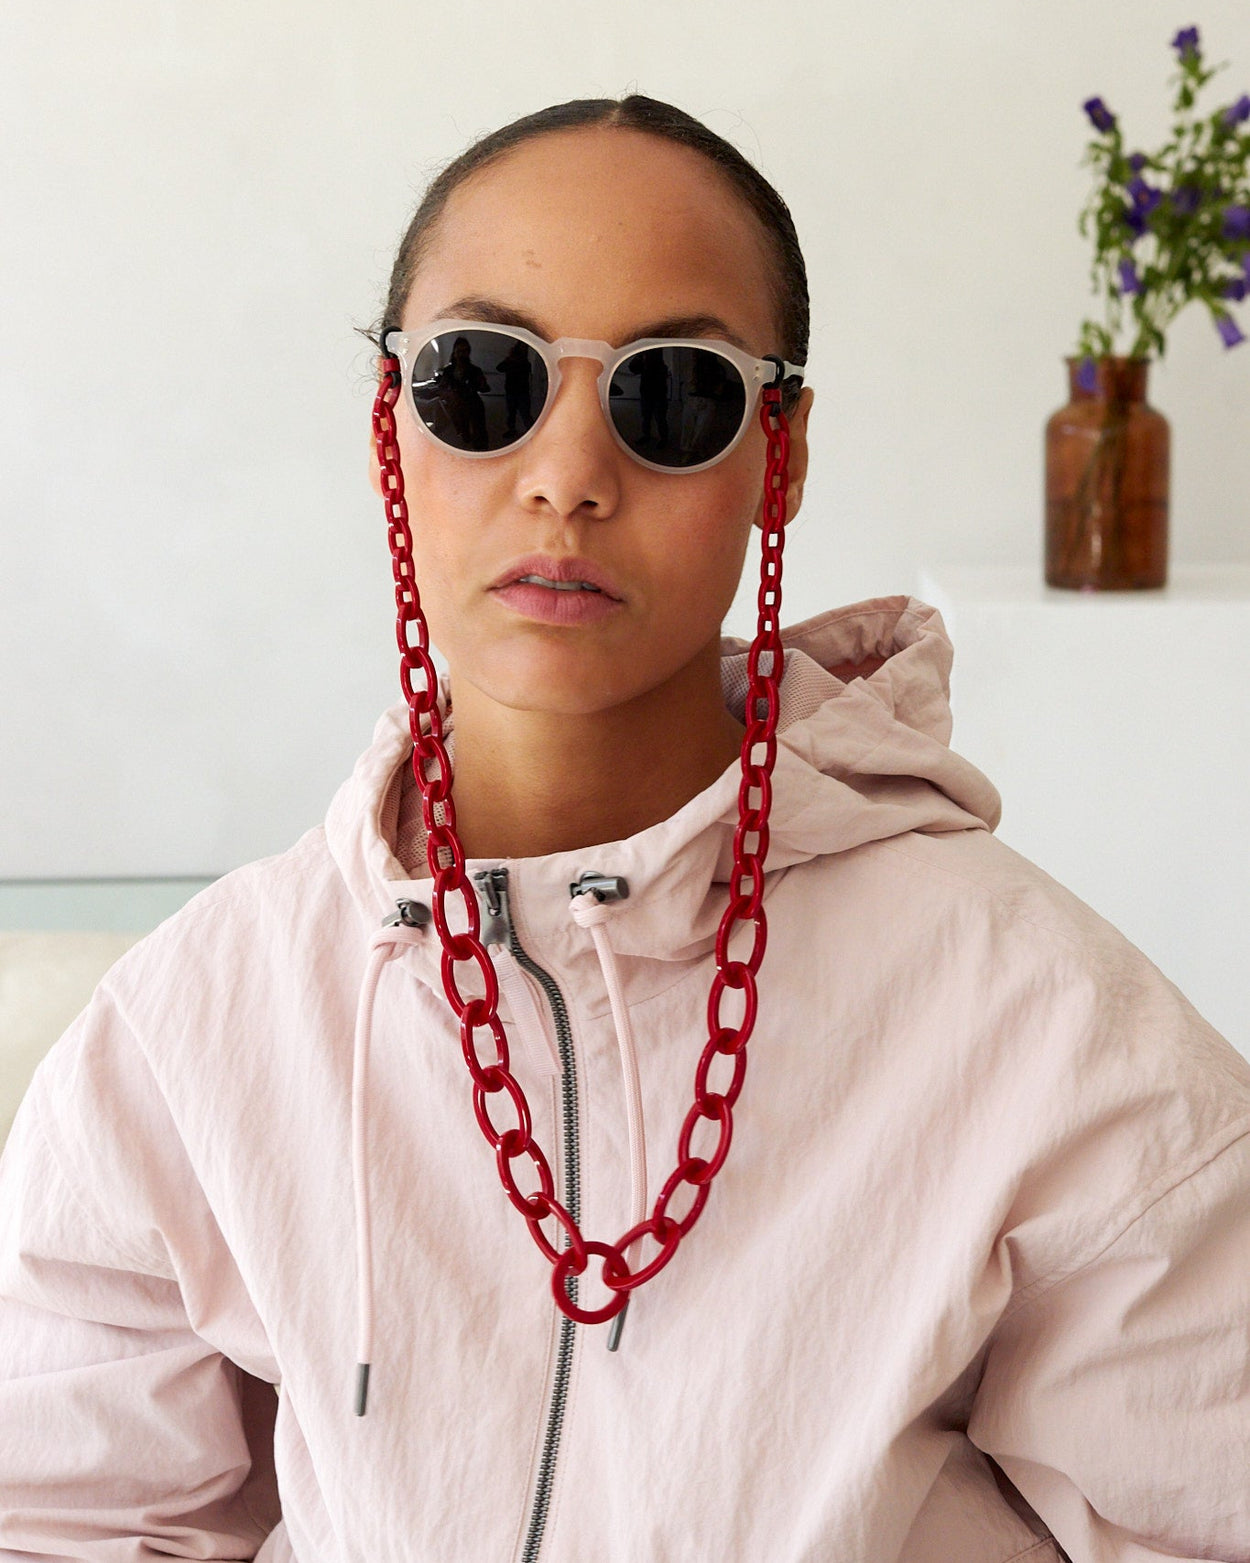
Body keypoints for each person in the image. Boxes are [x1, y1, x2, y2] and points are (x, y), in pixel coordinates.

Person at [2, 95, 1249, 1563]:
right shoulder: (193, 1030)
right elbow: (65, 1518)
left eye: (671, 396)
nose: (568, 476)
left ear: (779, 455)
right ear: (388, 425)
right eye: (483, 381)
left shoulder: (1050, 1032)